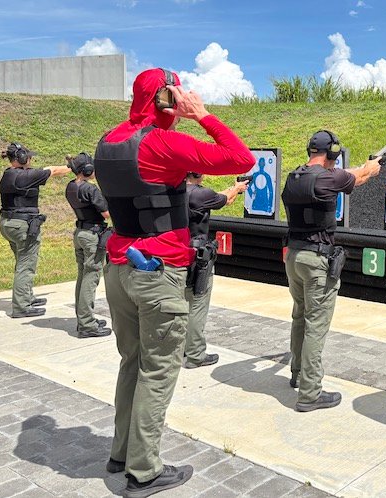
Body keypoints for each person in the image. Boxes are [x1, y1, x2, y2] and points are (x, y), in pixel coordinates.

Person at [94, 68, 255, 497]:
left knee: (131, 361)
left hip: (118, 267)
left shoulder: (108, 141)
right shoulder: (163, 143)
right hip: (158, 270)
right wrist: (201, 114)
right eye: (176, 91)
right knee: (159, 369)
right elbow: (242, 160)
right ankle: (144, 471)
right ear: (164, 97)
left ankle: (121, 452)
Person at [281, 130, 381, 412]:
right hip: (316, 260)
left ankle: (297, 373)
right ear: (333, 153)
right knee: (316, 325)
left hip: (294, 257)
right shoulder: (328, 178)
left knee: (299, 316)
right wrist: (371, 168)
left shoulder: (295, 177)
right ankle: (310, 393)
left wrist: (359, 167)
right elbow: (359, 177)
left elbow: (339, 174)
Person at [184, 172, 249, 368]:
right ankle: (195, 354)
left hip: (176, 252)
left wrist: (233, 188)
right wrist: (237, 189)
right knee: (197, 303)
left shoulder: (173, 190)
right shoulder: (200, 194)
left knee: (181, 302)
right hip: (197, 256)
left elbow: (216, 197)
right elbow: (225, 200)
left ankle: (180, 348)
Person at [0, 143, 71, 318]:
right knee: (26, 265)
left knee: (21, 261)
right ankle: (22, 306)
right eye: (28, 156)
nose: (31, 159)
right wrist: (72, 167)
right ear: (22, 158)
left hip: (7, 223)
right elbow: (52, 170)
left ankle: (27, 296)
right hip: (21, 225)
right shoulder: (25, 176)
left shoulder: (7, 175)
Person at [65, 152, 112, 338]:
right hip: (92, 235)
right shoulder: (90, 190)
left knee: (82, 276)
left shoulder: (70, 187)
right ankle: (87, 324)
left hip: (80, 233)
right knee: (91, 278)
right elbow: (107, 214)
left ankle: (83, 318)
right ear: (87, 170)